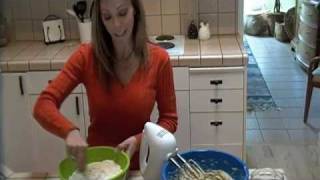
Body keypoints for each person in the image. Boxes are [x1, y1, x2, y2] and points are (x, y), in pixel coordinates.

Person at [33, 0, 177, 171]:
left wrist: (139, 140)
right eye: (107, 17)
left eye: (122, 13)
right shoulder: (86, 56)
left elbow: (169, 119)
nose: (116, 25)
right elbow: (43, 104)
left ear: (135, 11)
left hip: (140, 167)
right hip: (96, 167)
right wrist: (69, 132)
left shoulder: (159, 59)